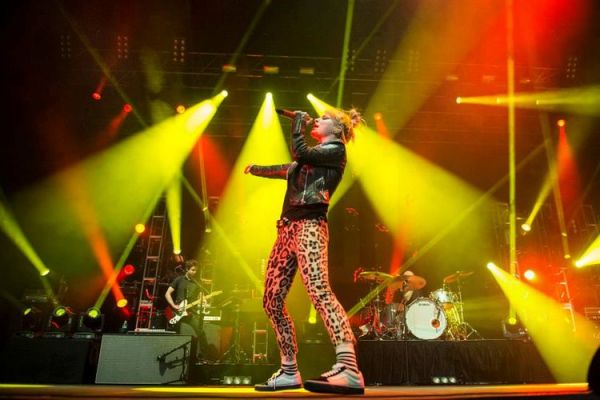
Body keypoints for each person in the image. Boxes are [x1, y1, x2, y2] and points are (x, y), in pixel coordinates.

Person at [245, 108, 364, 394]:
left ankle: (349, 367)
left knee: (319, 290)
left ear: (337, 129)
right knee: (271, 300)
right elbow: (287, 168)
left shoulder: (336, 150)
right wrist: (256, 168)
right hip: (286, 229)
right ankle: (289, 370)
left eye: (324, 118)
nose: (317, 120)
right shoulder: (311, 159)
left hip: (310, 225)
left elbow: (300, 152)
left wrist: (297, 122)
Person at [165, 259, 208, 363]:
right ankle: (167, 355)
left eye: (196, 270)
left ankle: (203, 357)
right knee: (173, 333)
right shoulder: (179, 280)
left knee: (201, 332)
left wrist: (204, 301)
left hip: (190, 312)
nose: (195, 272)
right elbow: (167, 294)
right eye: (192, 270)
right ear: (187, 269)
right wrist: (173, 305)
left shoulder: (197, 283)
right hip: (177, 312)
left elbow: (201, 297)